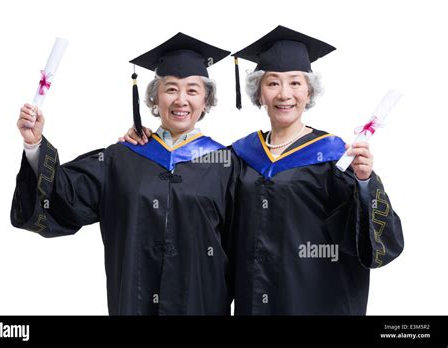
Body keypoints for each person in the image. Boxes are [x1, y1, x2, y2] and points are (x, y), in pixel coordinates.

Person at [124, 26, 404, 315]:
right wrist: (151, 142)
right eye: (273, 84)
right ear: (259, 93)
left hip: (315, 302)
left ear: (309, 92)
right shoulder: (239, 155)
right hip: (253, 302)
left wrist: (364, 182)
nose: (285, 94)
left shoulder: (335, 157)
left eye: (295, 83)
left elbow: (375, 243)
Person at [11, 32, 239, 315]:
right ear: (155, 98)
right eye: (170, 89)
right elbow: (62, 195)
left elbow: (246, 244)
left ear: (206, 101)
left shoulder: (227, 165)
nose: (181, 100)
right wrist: (34, 145)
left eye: (192, 90)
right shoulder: (120, 159)